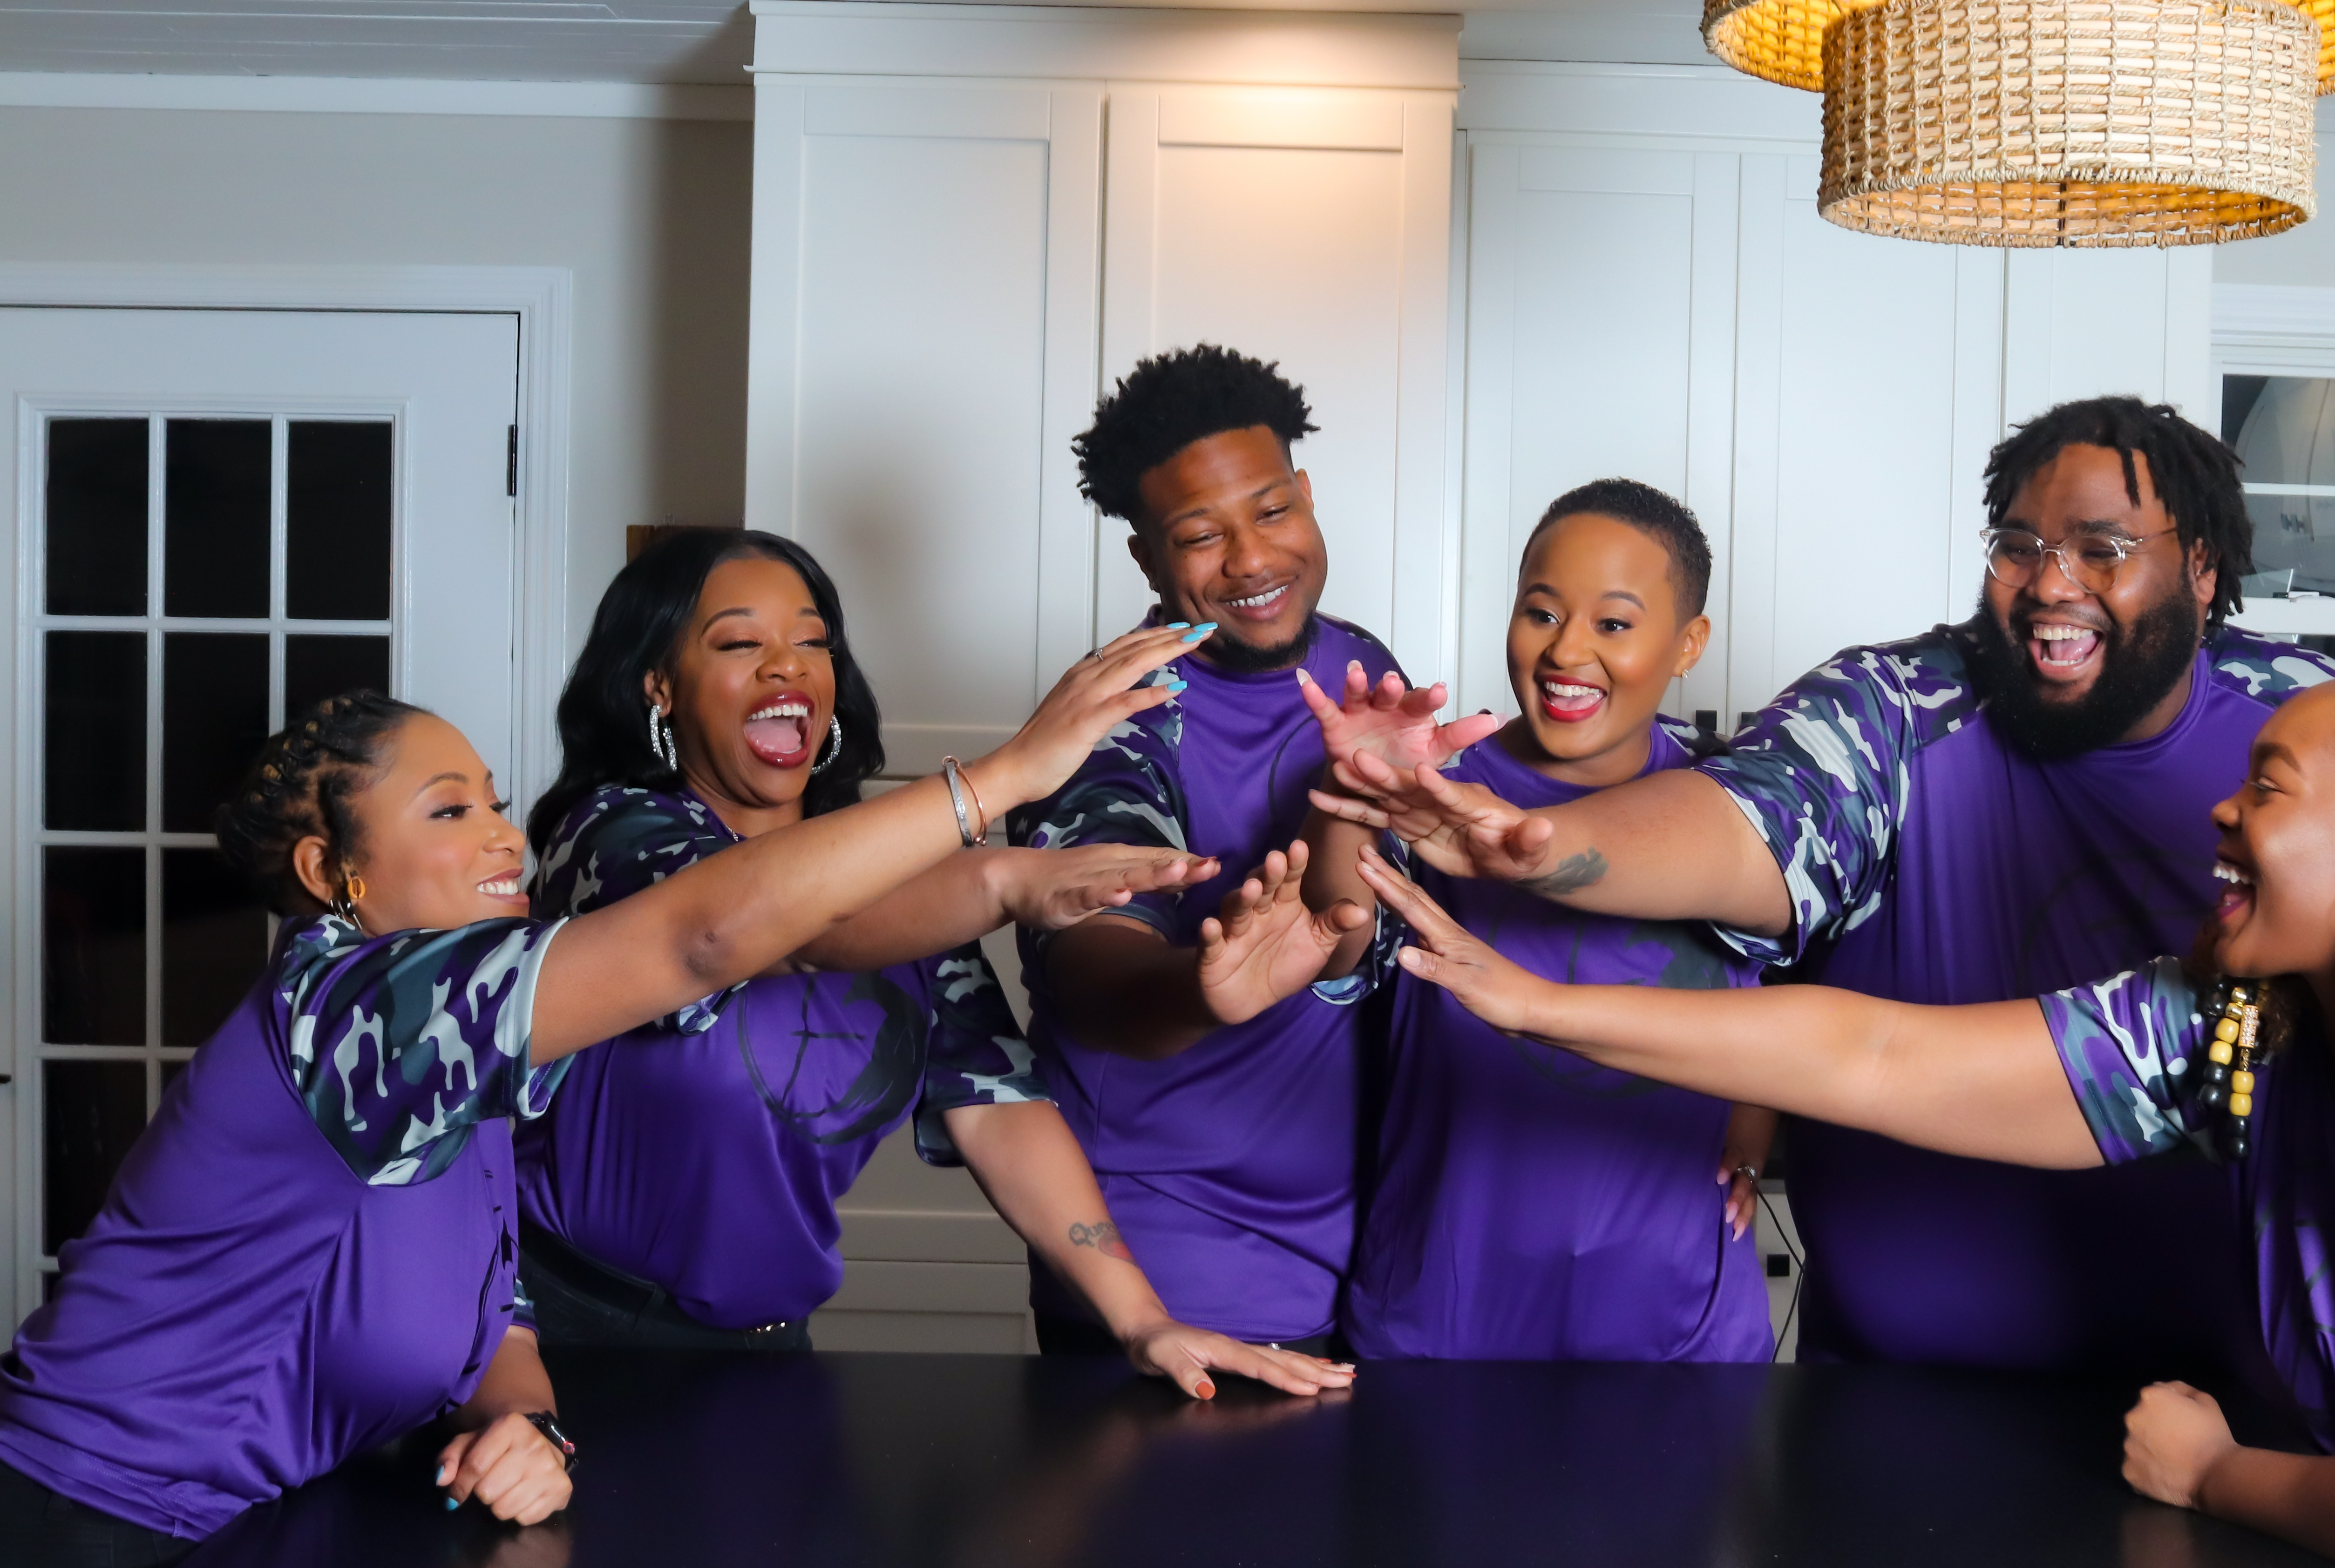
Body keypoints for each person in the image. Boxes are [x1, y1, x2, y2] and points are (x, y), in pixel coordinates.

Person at [1359, 659, 2335, 1568]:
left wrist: (2221, 1474)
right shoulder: (2244, 1022)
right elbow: (1873, 1058)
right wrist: (1542, 1005)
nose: (2221, 816)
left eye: (2269, 790)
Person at [0, 657, 1345, 1561]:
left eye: (491, 800)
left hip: (243, 1516)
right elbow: (708, 938)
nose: (500, 834)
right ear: (329, 870)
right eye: (449, 808)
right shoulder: (352, 1007)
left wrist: (524, 1427)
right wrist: (996, 789)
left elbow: (490, 1312)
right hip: (77, 1514)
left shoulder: (471, 1042)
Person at [1307, 397, 2335, 1377]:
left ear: (2202, 570)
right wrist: (1540, 847)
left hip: (2226, 1397)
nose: (2050, 582)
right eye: (2019, 546)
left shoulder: (2312, 725)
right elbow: (1748, 829)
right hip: (1892, 1390)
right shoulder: (1895, 704)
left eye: (2101, 548)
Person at [515, 529, 1342, 1363]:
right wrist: (1005, 828)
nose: (787, 666)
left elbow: (998, 1104)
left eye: (813, 641)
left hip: (764, 1346)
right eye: (739, 643)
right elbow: (744, 928)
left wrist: (1141, 1319)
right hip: (563, 1335)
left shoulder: (903, 885)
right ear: (659, 685)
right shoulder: (613, 836)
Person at [1010, 345, 1485, 1354]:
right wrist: (1205, 989)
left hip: (1362, 1248)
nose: (1253, 560)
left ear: (1307, 496)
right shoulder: (1113, 719)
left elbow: (1345, 937)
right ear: (1146, 558)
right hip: (1170, 1266)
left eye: (1272, 512)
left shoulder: (1364, 668)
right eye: (1199, 535)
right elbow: (1096, 979)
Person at [1303, 479, 1774, 1361]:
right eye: (1542, 612)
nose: (1568, 652)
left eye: (1616, 624)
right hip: (1449, 1304)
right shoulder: (1438, 784)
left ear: (1688, 644)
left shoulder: (1738, 804)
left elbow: (1782, 991)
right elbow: (1332, 946)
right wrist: (1355, 799)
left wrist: (1750, 1136)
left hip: (1674, 1318)